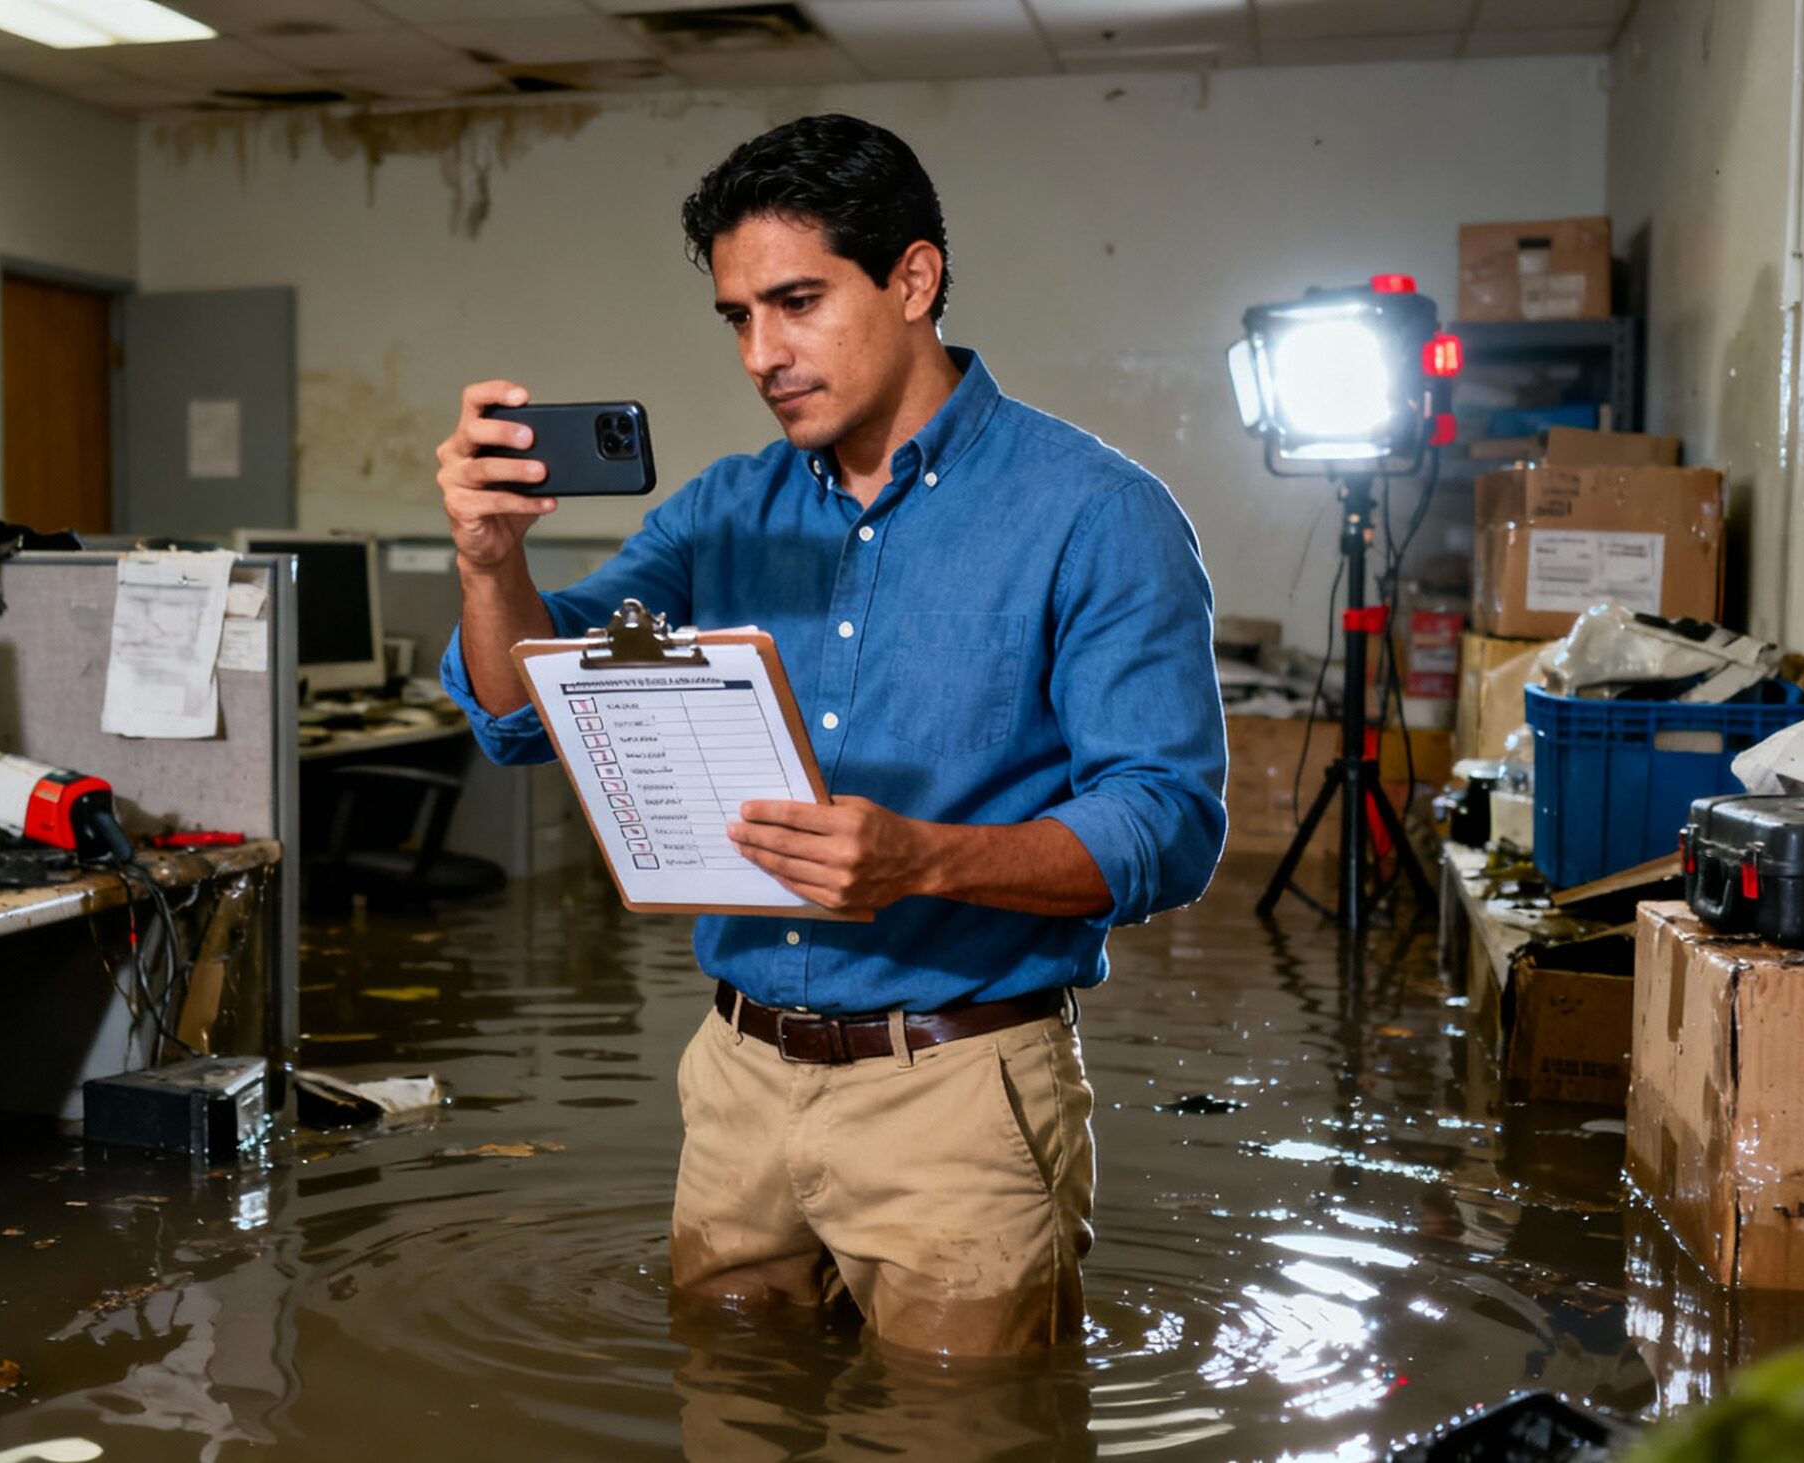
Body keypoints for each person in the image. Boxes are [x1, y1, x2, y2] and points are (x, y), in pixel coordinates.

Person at [434, 113, 1226, 1358]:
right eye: (737, 316)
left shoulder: (1097, 515)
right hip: (738, 1079)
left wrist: (923, 859)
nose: (761, 352)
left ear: (914, 278)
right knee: (732, 1418)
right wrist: (489, 562)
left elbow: (1164, 825)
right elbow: (523, 712)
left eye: (796, 302)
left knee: (969, 1439)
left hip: (961, 1095)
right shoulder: (719, 515)